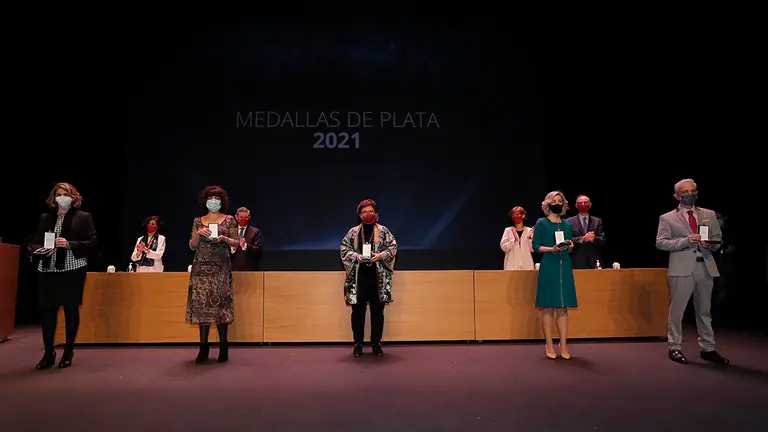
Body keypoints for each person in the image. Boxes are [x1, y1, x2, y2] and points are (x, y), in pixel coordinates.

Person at [655, 179, 728, 365]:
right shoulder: (667, 218)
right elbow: (661, 243)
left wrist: (711, 244)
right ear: (676, 196)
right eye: (685, 192)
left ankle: (707, 348)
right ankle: (674, 347)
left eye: (693, 191)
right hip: (681, 269)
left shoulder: (708, 214)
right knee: (677, 311)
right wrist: (685, 241)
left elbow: (718, 239)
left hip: (705, 267)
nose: (690, 194)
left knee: (704, 311)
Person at [28, 183, 98, 369]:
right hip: (48, 269)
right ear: (53, 198)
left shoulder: (83, 217)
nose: (62, 198)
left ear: (73, 197)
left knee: (70, 310)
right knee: (48, 312)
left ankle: (68, 351)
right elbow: (34, 242)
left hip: (72, 268)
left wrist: (69, 244)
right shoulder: (46, 218)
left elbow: (92, 242)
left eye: (65, 194)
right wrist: (39, 249)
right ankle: (48, 353)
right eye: (58, 194)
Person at [186, 186, 239, 363]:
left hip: (221, 268)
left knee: (220, 305)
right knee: (202, 305)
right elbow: (192, 246)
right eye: (210, 198)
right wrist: (199, 234)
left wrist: (224, 239)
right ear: (205, 201)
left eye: (217, 199)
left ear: (222, 202)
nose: (213, 202)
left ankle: (223, 345)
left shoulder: (229, 219)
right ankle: (203, 347)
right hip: (201, 268)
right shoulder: (197, 221)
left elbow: (236, 242)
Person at [340, 199, 398, 357]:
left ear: (377, 214)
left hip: (378, 279)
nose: (368, 214)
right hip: (358, 279)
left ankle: (376, 344)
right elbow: (344, 249)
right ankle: (358, 343)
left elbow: (393, 247)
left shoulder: (384, 231)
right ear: (360, 215)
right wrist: (356, 256)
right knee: (357, 313)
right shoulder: (353, 232)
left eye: (371, 211)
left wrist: (380, 256)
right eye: (364, 212)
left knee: (377, 313)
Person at [531, 191, 576, 360]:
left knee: (563, 307)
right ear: (548, 204)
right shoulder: (541, 223)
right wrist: (552, 249)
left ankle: (563, 344)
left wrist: (569, 246)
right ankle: (549, 343)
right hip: (549, 265)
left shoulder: (567, 224)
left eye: (560, 201)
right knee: (549, 306)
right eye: (554, 201)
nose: (557, 203)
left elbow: (569, 247)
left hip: (565, 266)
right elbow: (536, 246)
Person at [566, 195, 606, 269]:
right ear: (576, 205)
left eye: (585, 202)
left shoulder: (597, 221)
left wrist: (594, 238)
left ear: (590, 204)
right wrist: (582, 239)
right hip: (577, 259)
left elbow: (602, 241)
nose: (583, 204)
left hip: (595, 260)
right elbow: (567, 240)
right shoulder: (569, 221)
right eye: (580, 203)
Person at [500, 206, 535, 270]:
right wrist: (513, 240)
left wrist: (529, 238)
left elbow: (533, 249)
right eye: (513, 215)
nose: (515, 217)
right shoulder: (508, 230)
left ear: (523, 215)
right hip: (511, 265)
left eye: (517, 214)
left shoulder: (529, 231)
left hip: (526, 265)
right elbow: (503, 247)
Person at [230, 207, 263, 271]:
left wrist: (245, 246)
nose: (244, 219)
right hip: (232, 269)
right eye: (241, 217)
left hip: (250, 270)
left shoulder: (255, 232)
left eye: (246, 217)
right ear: (236, 217)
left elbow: (258, 252)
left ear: (249, 217)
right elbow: (224, 251)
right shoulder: (230, 231)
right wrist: (232, 249)